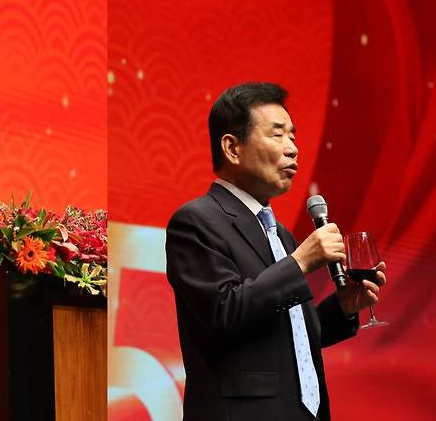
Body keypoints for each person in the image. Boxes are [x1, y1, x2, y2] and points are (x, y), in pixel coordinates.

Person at [166, 82, 387, 421]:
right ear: (232, 148)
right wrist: (299, 263)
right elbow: (225, 314)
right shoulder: (196, 221)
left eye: (293, 137)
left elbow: (289, 337)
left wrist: (342, 308)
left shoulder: (277, 231)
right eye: (278, 135)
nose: (293, 149)